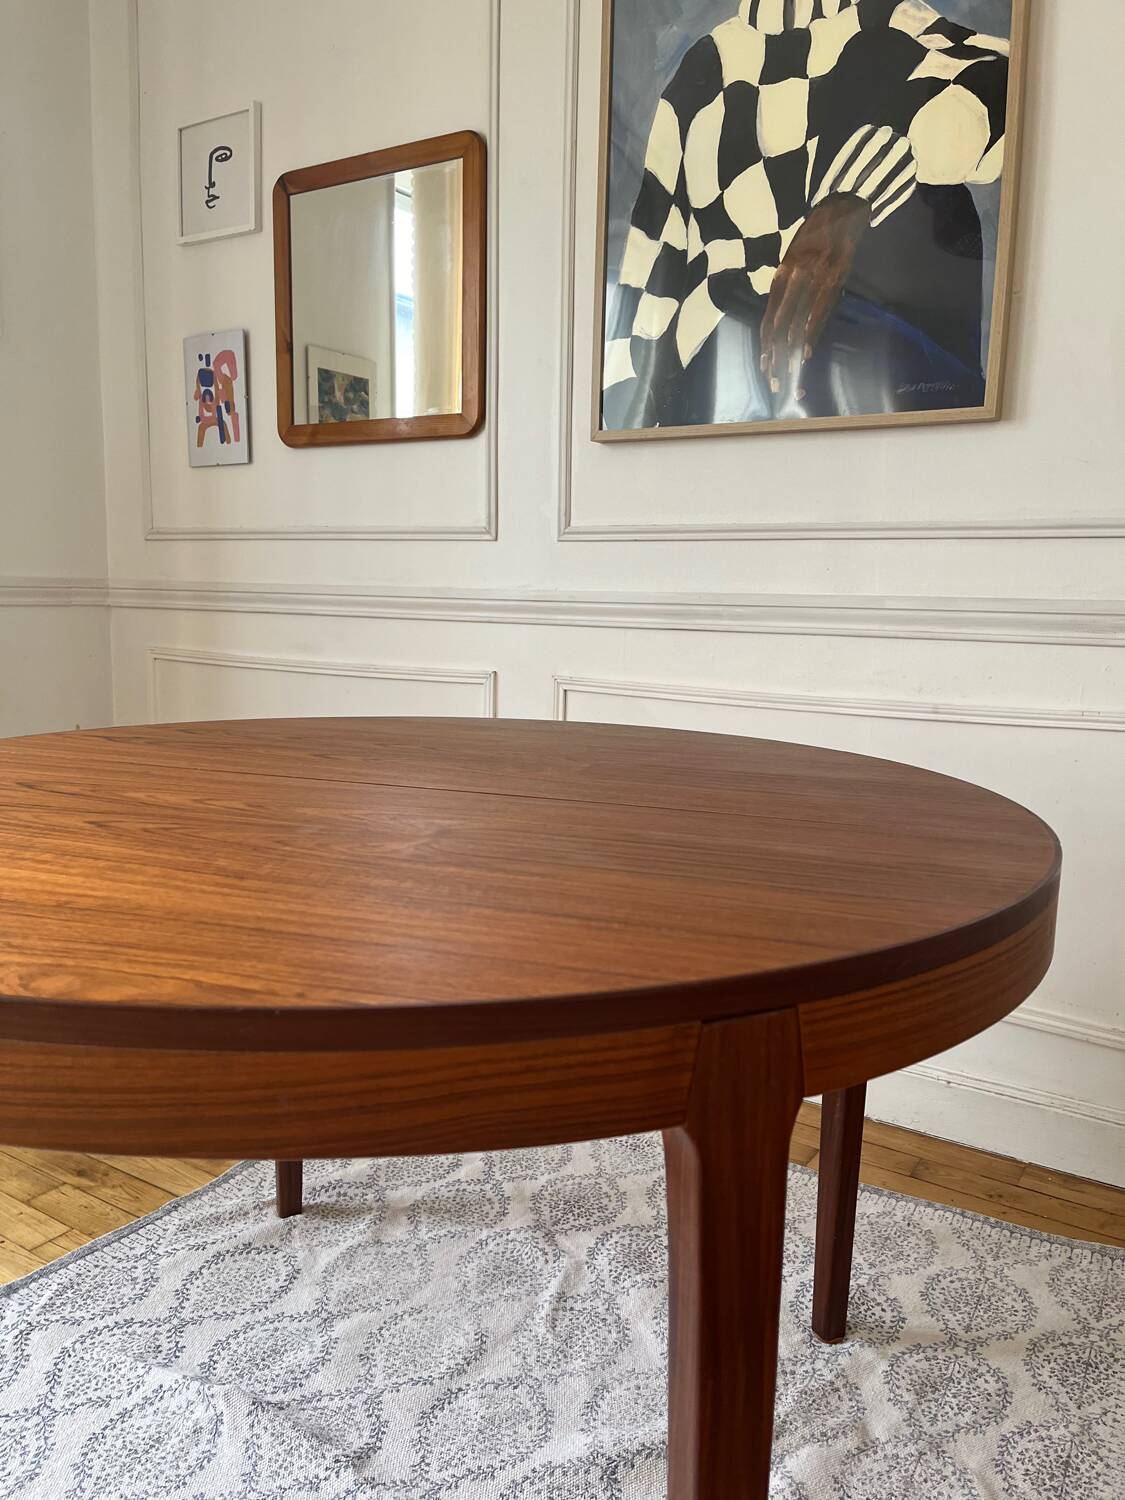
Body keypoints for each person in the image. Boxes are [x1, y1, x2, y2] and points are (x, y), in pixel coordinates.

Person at [602, 0, 1009, 428]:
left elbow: (1005, 92)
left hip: (881, 394)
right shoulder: (705, 66)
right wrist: (634, 426)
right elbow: (653, 271)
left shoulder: (890, 25)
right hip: (725, 408)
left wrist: (851, 199)